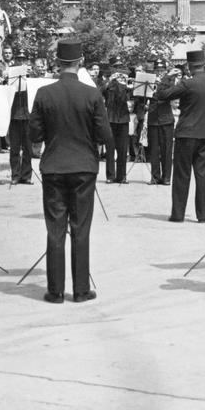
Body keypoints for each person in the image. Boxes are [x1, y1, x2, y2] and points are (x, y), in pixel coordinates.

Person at [29, 37, 111, 304]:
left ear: (58, 62)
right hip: (84, 167)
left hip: (53, 166)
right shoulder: (92, 93)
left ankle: (54, 291)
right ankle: (81, 289)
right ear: (81, 62)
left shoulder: (44, 93)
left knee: (55, 230)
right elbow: (105, 135)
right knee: (81, 229)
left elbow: (34, 134)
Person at [155, 48, 205, 223]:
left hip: (187, 133)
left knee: (182, 175)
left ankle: (178, 214)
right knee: (202, 175)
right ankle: (203, 215)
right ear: (203, 64)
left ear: (189, 66)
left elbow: (162, 95)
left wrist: (168, 77)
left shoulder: (187, 83)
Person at [145, 62, 175, 185]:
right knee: (154, 151)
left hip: (166, 118)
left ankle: (166, 177)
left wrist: (162, 80)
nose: (159, 72)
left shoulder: (170, 81)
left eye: (162, 70)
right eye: (157, 70)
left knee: (167, 150)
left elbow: (164, 94)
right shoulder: (149, 81)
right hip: (153, 118)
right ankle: (155, 177)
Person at [103, 64, 132, 184]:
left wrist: (125, 84)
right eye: (120, 74)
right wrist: (110, 80)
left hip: (123, 119)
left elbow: (124, 98)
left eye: (123, 74)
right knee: (110, 149)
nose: (122, 77)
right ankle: (110, 176)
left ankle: (122, 176)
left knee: (123, 149)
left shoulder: (127, 87)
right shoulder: (110, 85)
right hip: (110, 119)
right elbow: (100, 92)